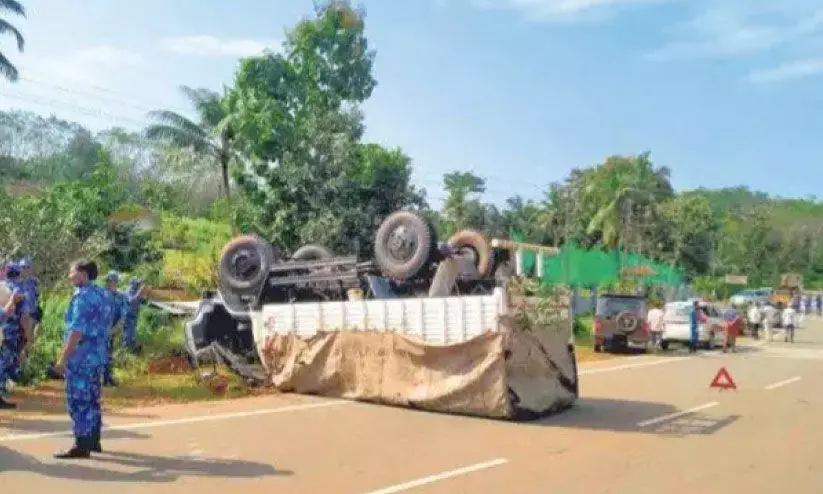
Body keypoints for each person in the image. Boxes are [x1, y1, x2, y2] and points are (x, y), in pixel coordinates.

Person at [53, 260, 113, 459]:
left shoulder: (82, 297)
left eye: (72, 272)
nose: (69, 276)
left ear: (82, 273)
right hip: (98, 355)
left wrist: (62, 359)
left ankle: (82, 445)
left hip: (82, 357)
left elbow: (76, 332)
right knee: (93, 398)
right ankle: (93, 439)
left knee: (78, 400)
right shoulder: (103, 294)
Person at [0, 264, 31, 409]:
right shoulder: (20, 290)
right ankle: (2, 394)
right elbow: (25, 316)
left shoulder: (2, 286)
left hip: (3, 330)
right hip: (13, 332)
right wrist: (28, 336)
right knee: (8, 364)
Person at [102, 271, 128, 387]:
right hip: (99, 330)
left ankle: (108, 377)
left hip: (113, 329)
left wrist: (114, 329)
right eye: (107, 281)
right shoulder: (101, 295)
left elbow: (123, 315)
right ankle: (101, 377)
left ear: (116, 282)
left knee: (109, 353)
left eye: (111, 281)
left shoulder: (121, 297)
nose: (108, 283)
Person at [122, 277, 147, 353]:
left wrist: (145, 294)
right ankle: (125, 353)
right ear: (133, 284)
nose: (139, 285)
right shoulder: (128, 290)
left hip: (134, 316)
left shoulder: (136, 291)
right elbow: (132, 301)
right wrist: (140, 291)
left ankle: (132, 351)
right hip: (128, 317)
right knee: (128, 336)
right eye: (138, 283)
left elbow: (143, 301)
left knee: (133, 335)